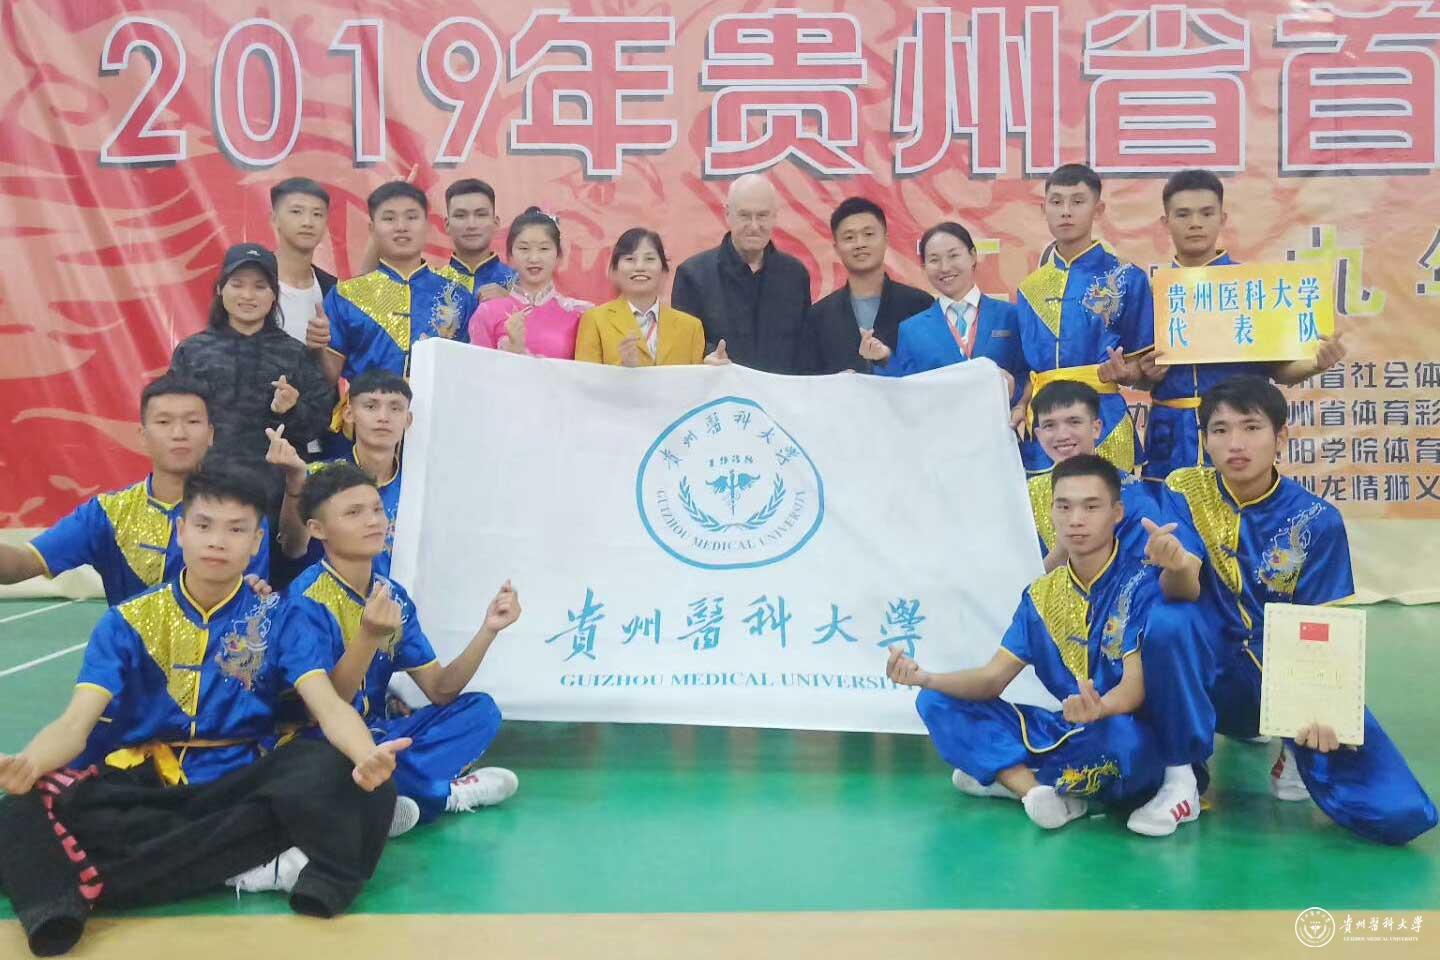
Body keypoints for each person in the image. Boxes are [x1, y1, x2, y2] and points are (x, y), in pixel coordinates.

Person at [0, 464, 408, 956]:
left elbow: (328, 706)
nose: (217, 541)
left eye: (236, 530)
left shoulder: (281, 616)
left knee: (351, 778)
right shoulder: (127, 621)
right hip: (149, 788)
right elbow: (74, 724)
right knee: (20, 806)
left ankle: (123, 877)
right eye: (204, 525)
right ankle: (242, 866)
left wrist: (366, 757)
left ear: (256, 542)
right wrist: (29, 764)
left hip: (244, 783)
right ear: (181, 531)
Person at [1128, 376, 1437, 843]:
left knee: (1397, 812)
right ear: (1204, 440)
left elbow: (1325, 630)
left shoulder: (1317, 520)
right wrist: (1175, 564)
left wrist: (1324, 709)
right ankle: (1181, 778)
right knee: (1168, 623)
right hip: (1204, 669)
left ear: (1281, 437)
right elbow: (1182, 591)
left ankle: (1291, 752)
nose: (1235, 443)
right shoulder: (1184, 490)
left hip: (1283, 678)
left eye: (1251, 427)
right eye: (1220, 430)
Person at [887, 455, 1173, 831]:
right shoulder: (1040, 595)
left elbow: (1134, 688)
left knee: (1127, 746)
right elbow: (992, 679)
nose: (1075, 519)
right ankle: (1036, 792)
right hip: (1060, 729)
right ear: (1050, 512)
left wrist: (1100, 709)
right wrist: (925, 678)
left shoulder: (1143, 584)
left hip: (1117, 728)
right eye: (1064, 507)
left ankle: (1003, 774)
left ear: (1116, 513)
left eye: (1091, 507)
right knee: (935, 701)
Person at [282, 463, 521, 834]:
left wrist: (488, 630)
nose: (373, 521)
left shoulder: (391, 594)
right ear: (317, 529)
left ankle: (391, 794)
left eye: (377, 509)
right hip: (321, 741)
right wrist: (368, 636)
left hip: (381, 732)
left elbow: (440, 690)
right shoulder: (304, 601)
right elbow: (326, 709)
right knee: (333, 764)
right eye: (353, 513)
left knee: (481, 711)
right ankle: (446, 794)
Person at [1139, 169, 1348, 480]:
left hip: (1237, 435)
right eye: (1183, 214)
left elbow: (1279, 370)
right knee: (1169, 510)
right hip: (1170, 435)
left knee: (1240, 509)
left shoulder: (1253, 287)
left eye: (1206, 213)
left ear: (1222, 218)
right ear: (1165, 222)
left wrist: (1317, 362)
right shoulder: (1150, 291)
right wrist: (1145, 374)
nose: (1195, 223)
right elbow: (1136, 374)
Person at [0, 375, 268, 606]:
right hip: (130, 650)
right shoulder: (106, 513)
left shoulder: (241, 513)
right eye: (163, 422)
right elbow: (24, 563)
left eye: (192, 421)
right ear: (143, 436)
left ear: (210, 434)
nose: (179, 433)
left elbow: (251, 600)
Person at [1014, 163, 1154, 474]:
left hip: (1103, 419)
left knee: (1110, 499)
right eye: (1056, 202)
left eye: (1077, 201)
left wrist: (1126, 373)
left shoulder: (1126, 278)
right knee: (1049, 502)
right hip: (1046, 425)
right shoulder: (1029, 288)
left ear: (1098, 209)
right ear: (1044, 209)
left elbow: (1143, 367)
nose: (1066, 211)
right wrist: (1021, 405)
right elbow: (1028, 370)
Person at [168, 244, 334, 490]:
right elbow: (172, 416)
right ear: (220, 289)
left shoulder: (295, 354)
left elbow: (319, 422)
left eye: (260, 286)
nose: (247, 295)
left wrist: (292, 409)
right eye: (237, 285)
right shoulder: (191, 352)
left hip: (277, 491)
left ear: (274, 294)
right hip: (207, 489)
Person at [319, 181, 477, 384]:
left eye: (411, 217)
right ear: (372, 229)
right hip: (366, 403)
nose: (401, 227)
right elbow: (327, 378)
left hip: (439, 404)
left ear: (427, 226)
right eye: (389, 218)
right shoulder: (345, 295)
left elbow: (469, 373)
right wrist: (317, 347)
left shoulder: (457, 296)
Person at [268, 370, 410, 579]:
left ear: (408, 419)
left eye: (395, 408)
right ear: (348, 414)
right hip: (322, 597)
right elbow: (292, 549)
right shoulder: (316, 476)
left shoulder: (418, 487)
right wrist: (295, 480)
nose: (383, 417)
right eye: (371, 406)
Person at [870, 223, 1026, 410]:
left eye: (953, 256)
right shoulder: (912, 330)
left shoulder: (1010, 316)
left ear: (973, 256)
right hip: (940, 426)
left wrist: (1015, 393)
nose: (944, 267)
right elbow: (905, 391)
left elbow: (1028, 376)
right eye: (934, 260)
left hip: (1000, 424)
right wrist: (884, 358)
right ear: (924, 267)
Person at [671, 174, 812, 374]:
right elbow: (682, 348)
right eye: (745, 215)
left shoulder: (795, 276)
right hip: (719, 390)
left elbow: (806, 349)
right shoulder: (693, 276)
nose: (754, 226)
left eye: (762, 216)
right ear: (728, 214)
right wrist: (706, 358)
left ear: (775, 216)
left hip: (782, 393)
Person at [1027, 382, 1167, 571]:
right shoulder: (1029, 494)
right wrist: (1060, 553)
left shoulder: (1132, 496)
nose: (1062, 435)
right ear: (1038, 435)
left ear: (1096, 428)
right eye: (1050, 425)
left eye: (1074, 422)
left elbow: (1145, 573)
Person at [805, 197, 931, 375]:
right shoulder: (818, 316)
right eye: (849, 237)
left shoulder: (919, 305)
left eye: (869, 234)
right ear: (836, 248)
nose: (860, 244)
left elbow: (931, 371)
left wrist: (887, 360)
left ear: (886, 240)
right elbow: (809, 379)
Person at [575, 228, 714, 366]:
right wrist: (622, 368)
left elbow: (696, 378)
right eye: (630, 259)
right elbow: (585, 377)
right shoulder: (595, 320)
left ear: (664, 270)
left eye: (649, 259)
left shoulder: (691, 327)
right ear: (614, 270)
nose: (640, 267)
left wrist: (715, 370)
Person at [467, 207, 592, 359]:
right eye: (524, 248)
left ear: (559, 256)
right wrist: (513, 350)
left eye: (544, 248)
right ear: (510, 256)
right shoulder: (488, 312)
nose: (534, 258)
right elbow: (477, 369)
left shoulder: (579, 315)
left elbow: (587, 371)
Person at [270, 177, 338, 354]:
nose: (308, 222)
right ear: (274, 219)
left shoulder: (332, 289)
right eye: (296, 212)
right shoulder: (252, 280)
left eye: (317, 214)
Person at [431, 178, 518, 301]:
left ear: (495, 223)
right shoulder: (430, 286)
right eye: (460, 216)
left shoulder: (519, 283)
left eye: (481, 215)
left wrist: (510, 302)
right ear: (447, 225)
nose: (471, 225)